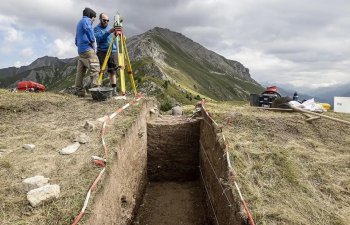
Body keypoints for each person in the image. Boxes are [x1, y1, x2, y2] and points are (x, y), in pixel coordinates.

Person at [74, 7, 100, 97]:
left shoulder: (79, 23)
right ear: (91, 16)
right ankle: (95, 92)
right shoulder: (86, 21)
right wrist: (93, 43)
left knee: (80, 72)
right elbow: (88, 29)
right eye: (94, 19)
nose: (93, 21)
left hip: (80, 51)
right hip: (88, 50)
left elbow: (76, 40)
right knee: (95, 69)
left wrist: (80, 45)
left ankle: (79, 91)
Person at [94, 13, 118, 96]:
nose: (106, 22)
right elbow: (99, 39)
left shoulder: (110, 28)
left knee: (113, 71)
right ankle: (98, 90)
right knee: (100, 71)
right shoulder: (96, 29)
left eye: (107, 20)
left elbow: (115, 40)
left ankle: (114, 91)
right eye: (104, 20)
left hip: (113, 51)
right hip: (102, 52)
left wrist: (116, 49)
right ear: (100, 19)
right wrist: (108, 32)